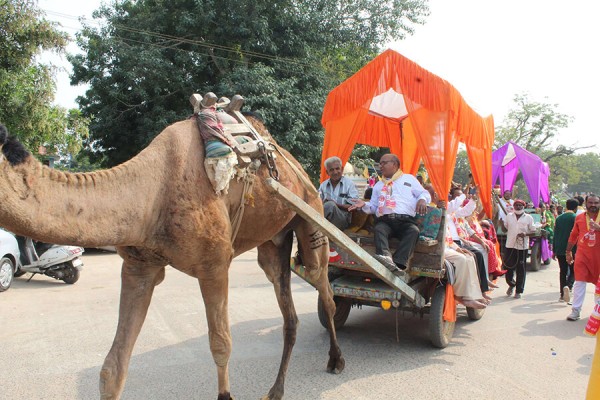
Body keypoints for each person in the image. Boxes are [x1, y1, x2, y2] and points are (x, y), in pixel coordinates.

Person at [349, 153, 430, 272]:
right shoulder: (378, 185)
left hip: (405, 221)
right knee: (379, 229)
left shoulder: (409, 179)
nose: (381, 166)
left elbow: (424, 193)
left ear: (395, 164)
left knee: (414, 231)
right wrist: (363, 205)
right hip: (385, 221)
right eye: (380, 163)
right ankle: (385, 258)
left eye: (384, 163)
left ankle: (398, 263)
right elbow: (373, 207)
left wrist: (422, 200)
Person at [565, 194, 600, 321]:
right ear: (585, 204)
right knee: (579, 282)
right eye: (590, 202)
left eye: (596, 203)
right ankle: (575, 310)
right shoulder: (580, 217)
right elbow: (573, 235)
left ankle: (598, 312)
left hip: (598, 257)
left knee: (599, 285)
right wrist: (568, 251)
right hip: (582, 255)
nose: (593, 205)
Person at [503, 199, 536, 299]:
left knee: (521, 269)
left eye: (520, 205)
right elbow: (505, 228)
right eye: (516, 205)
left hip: (522, 247)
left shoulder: (528, 218)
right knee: (508, 268)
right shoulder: (509, 216)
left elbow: (534, 231)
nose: (518, 207)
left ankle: (519, 290)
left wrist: (525, 234)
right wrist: (500, 224)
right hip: (510, 245)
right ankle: (512, 284)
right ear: (514, 206)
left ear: (523, 207)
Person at [318, 156, 358, 230]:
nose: (335, 172)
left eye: (337, 168)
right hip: (326, 219)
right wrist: (322, 203)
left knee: (330, 205)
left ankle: (313, 225)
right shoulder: (323, 185)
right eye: (331, 170)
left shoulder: (349, 184)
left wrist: (337, 205)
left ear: (342, 169)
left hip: (343, 220)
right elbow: (317, 204)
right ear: (327, 172)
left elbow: (354, 207)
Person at [553, 198, 578, 303]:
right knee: (574, 270)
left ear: (566, 206)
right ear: (576, 208)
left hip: (560, 248)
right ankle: (569, 285)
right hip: (573, 249)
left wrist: (554, 249)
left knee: (563, 271)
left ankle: (562, 294)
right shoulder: (576, 218)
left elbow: (556, 234)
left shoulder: (559, 218)